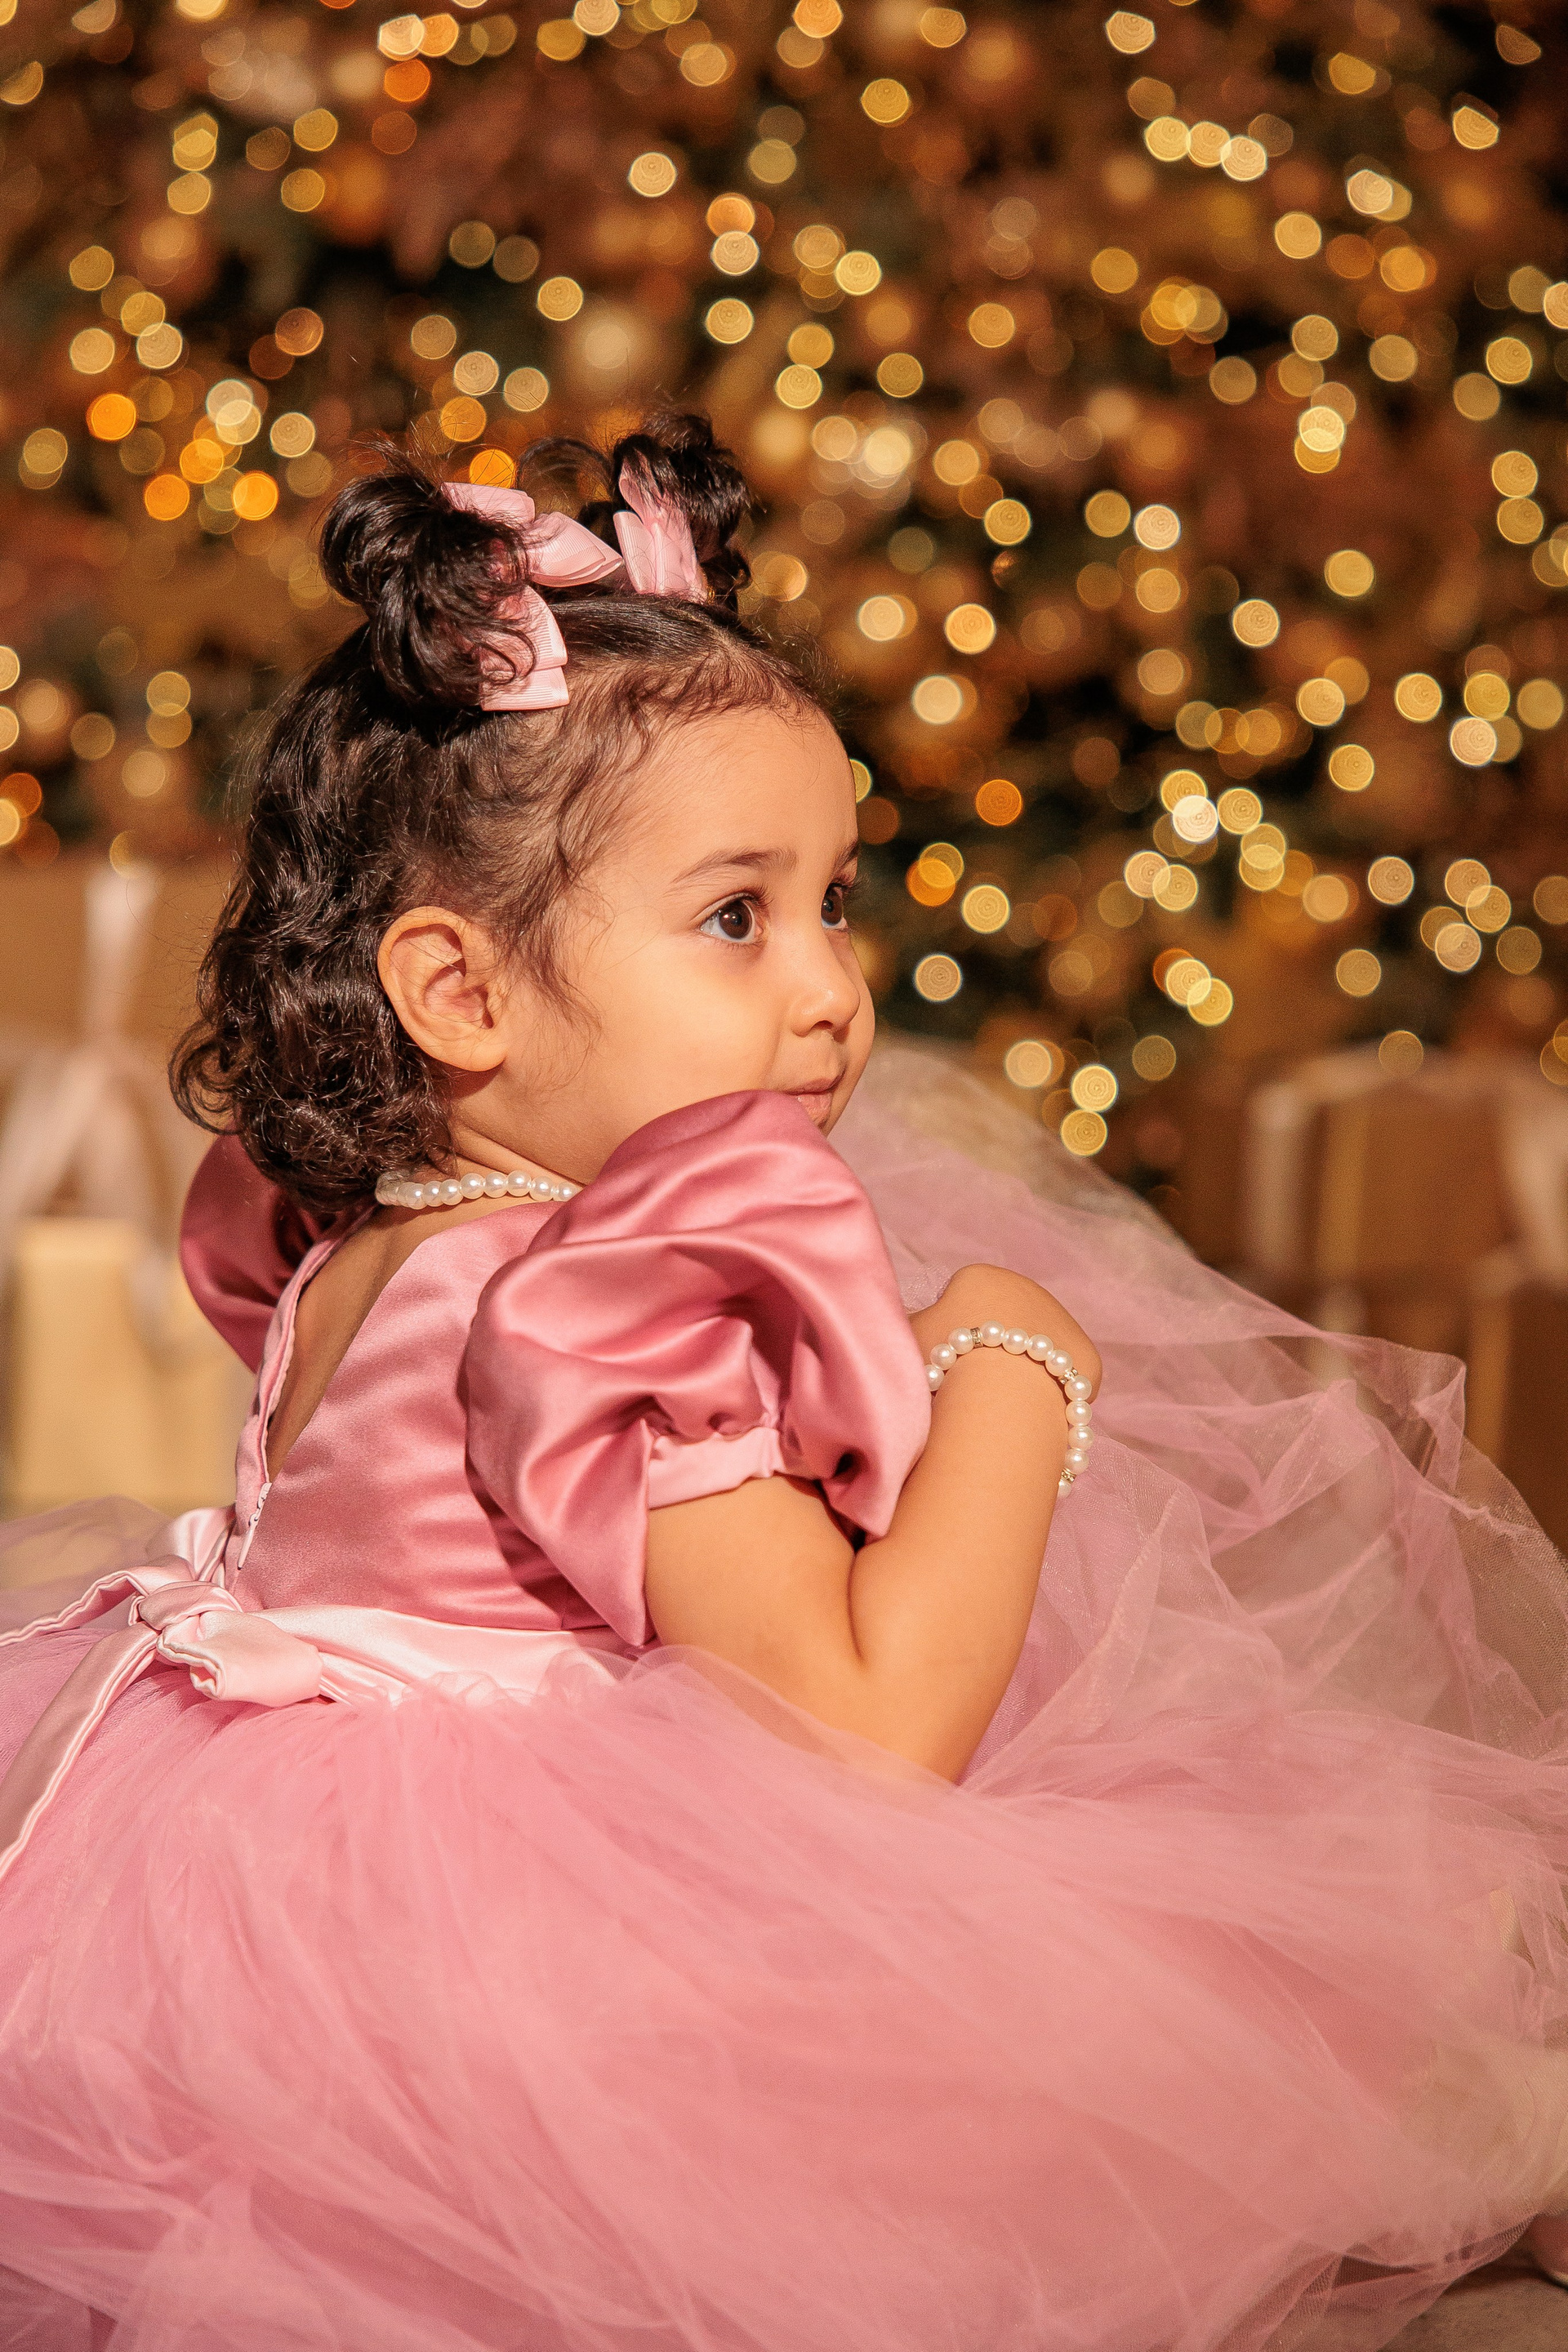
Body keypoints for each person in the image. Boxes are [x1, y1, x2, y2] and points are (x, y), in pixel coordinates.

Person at [1, 413, 1566, 2352]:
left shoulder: (354, 1235)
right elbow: (861, 1729)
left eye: (836, 900)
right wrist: (1011, 1368)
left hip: (211, 1893)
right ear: (460, 992)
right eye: (738, 916)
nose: (833, 989)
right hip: (507, 1973)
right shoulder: (614, 1294)